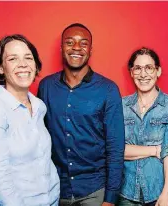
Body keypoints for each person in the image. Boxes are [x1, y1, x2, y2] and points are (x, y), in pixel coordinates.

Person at [37, 23, 125, 206]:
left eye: (83, 43)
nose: (76, 48)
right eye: (70, 42)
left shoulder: (108, 89)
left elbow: (116, 149)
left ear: (90, 50)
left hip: (94, 191)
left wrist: (110, 199)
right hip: (55, 189)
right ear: (62, 48)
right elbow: (38, 139)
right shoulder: (46, 86)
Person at [0, 34, 60, 206]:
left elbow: (42, 159)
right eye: (13, 58)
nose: (23, 64)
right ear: (0, 68)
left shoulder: (39, 106)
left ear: (35, 65)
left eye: (28, 57)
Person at [117, 47, 168, 206]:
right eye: (138, 68)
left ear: (158, 71)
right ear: (131, 72)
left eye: (149, 68)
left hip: (167, 191)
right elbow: (116, 149)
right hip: (128, 194)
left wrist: (167, 193)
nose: (143, 74)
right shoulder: (120, 106)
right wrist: (156, 150)